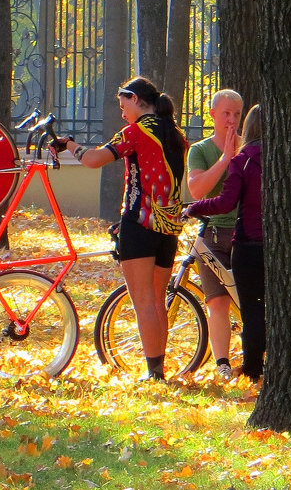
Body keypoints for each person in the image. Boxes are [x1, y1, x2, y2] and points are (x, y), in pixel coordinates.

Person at [55, 76, 188, 381]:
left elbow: (92, 160)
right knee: (157, 302)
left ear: (135, 98)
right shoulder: (176, 134)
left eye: (122, 104)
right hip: (168, 229)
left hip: (139, 226)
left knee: (143, 302)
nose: (121, 112)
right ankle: (158, 370)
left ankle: (154, 374)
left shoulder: (138, 131)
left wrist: (68, 144)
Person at [185, 105, 264, 380]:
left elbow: (226, 201)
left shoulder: (244, 159)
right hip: (276, 243)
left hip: (248, 242)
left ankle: (254, 368)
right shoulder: (284, 158)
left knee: (252, 309)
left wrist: (194, 208)